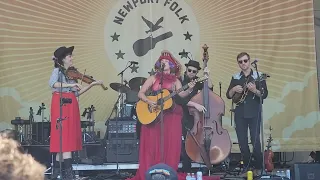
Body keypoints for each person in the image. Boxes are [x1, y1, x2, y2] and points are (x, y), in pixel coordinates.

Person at [128, 50, 196, 180]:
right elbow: (140, 94)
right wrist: (149, 101)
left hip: (170, 116)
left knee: (169, 143)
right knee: (152, 144)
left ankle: (167, 171)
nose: (163, 63)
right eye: (162, 61)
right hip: (153, 116)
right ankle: (150, 171)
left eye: (166, 62)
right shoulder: (153, 78)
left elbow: (182, 94)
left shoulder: (176, 81)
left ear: (171, 65)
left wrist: (190, 88)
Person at [49, 46, 103, 179]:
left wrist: (92, 84)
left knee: (66, 139)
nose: (72, 58)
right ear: (62, 59)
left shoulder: (70, 73)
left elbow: (77, 92)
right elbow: (52, 84)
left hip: (71, 104)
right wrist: (70, 85)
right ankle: (68, 173)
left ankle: (56, 173)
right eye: (69, 56)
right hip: (61, 103)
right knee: (64, 138)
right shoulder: (57, 70)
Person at [226, 52, 268, 172]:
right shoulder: (235, 77)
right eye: (240, 62)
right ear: (238, 64)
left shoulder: (258, 76)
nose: (243, 63)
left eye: (245, 61)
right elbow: (228, 95)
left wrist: (255, 90)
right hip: (239, 113)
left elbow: (264, 95)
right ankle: (247, 166)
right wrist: (234, 89)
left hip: (254, 112)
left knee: (255, 141)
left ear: (249, 61)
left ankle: (259, 166)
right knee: (242, 141)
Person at [179, 60, 213, 173]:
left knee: (203, 140)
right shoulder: (180, 81)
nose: (191, 73)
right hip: (183, 115)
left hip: (198, 117)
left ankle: (204, 165)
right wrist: (194, 103)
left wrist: (208, 76)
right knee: (186, 142)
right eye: (189, 70)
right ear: (186, 69)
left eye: (194, 71)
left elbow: (210, 90)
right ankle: (186, 168)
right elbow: (179, 100)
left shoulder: (199, 82)